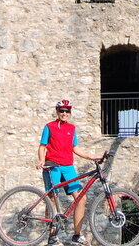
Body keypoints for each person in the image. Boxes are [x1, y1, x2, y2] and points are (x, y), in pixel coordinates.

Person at [37, 99, 101, 246]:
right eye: (61, 111)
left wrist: (91, 156)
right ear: (57, 112)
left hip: (68, 167)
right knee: (52, 198)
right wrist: (41, 160)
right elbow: (42, 146)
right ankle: (52, 236)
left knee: (81, 199)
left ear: (70, 113)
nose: (64, 113)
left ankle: (77, 235)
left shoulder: (72, 128)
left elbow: (75, 148)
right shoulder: (49, 127)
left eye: (67, 111)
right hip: (52, 165)